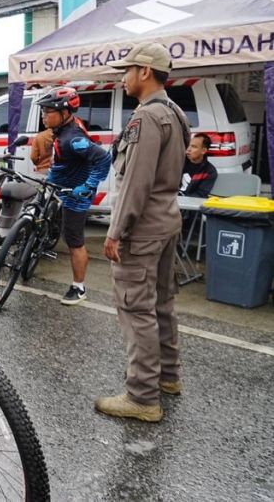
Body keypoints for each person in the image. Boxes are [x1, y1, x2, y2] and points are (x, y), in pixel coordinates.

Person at [98, 42, 191, 423]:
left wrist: (115, 231)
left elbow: (136, 182)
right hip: (167, 220)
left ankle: (142, 396)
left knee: (137, 309)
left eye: (128, 70)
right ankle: (167, 377)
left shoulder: (146, 118)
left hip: (143, 226)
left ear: (145, 72)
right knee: (162, 304)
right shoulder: (176, 112)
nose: (123, 78)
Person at [38, 87, 111, 305]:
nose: (43, 116)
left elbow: (103, 160)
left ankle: (79, 287)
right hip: (61, 182)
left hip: (76, 193)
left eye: (47, 111)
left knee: (73, 239)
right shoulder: (64, 128)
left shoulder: (73, 138)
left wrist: (88, 186)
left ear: (64, 112)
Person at [181, 133, 217, 198]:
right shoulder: (179, 163)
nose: (188, 149)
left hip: (189, 205)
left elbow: (201, 194)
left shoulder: (209, 171)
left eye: (194, 146)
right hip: (172, 202)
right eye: (188, 146)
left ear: (203, 151)